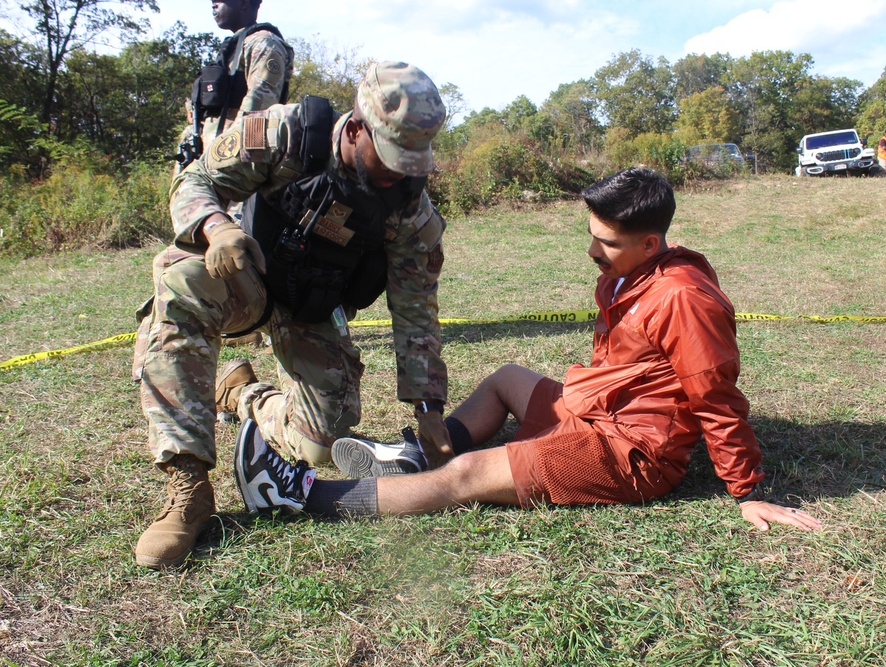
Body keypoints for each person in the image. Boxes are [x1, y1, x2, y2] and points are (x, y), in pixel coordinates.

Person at [233, 168, 823, 535]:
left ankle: (300, 495)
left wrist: (748, 494)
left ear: (650, 242)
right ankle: (413, 458)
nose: (593, 250)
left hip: (632, 452)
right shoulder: (628, 272)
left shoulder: (685, 298)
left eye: (607, 242)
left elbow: (716, 397)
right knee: (507, 378)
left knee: (468, 473)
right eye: (590, 234)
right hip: (595, 412)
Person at [132, 61, 451, 569]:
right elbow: (194, 181)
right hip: (246, 277)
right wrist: (217, 228)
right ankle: (188, 486)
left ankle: (241, 394)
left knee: (322, 443)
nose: (398, 177)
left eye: (412, 164)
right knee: (180, 279)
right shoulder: (284, 134)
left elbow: (416, 308)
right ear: (355, 128)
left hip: (313, 308)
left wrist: (429, 406)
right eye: (391, 159)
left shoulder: (409, 208)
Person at [176, 0, 294, 171]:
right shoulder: (235, 46)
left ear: (244, 3)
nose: (213, 5)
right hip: (207, 159)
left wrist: (230, 157)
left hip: (230, 163)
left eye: (219, 1)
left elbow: (259, 108)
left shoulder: (264, 43)